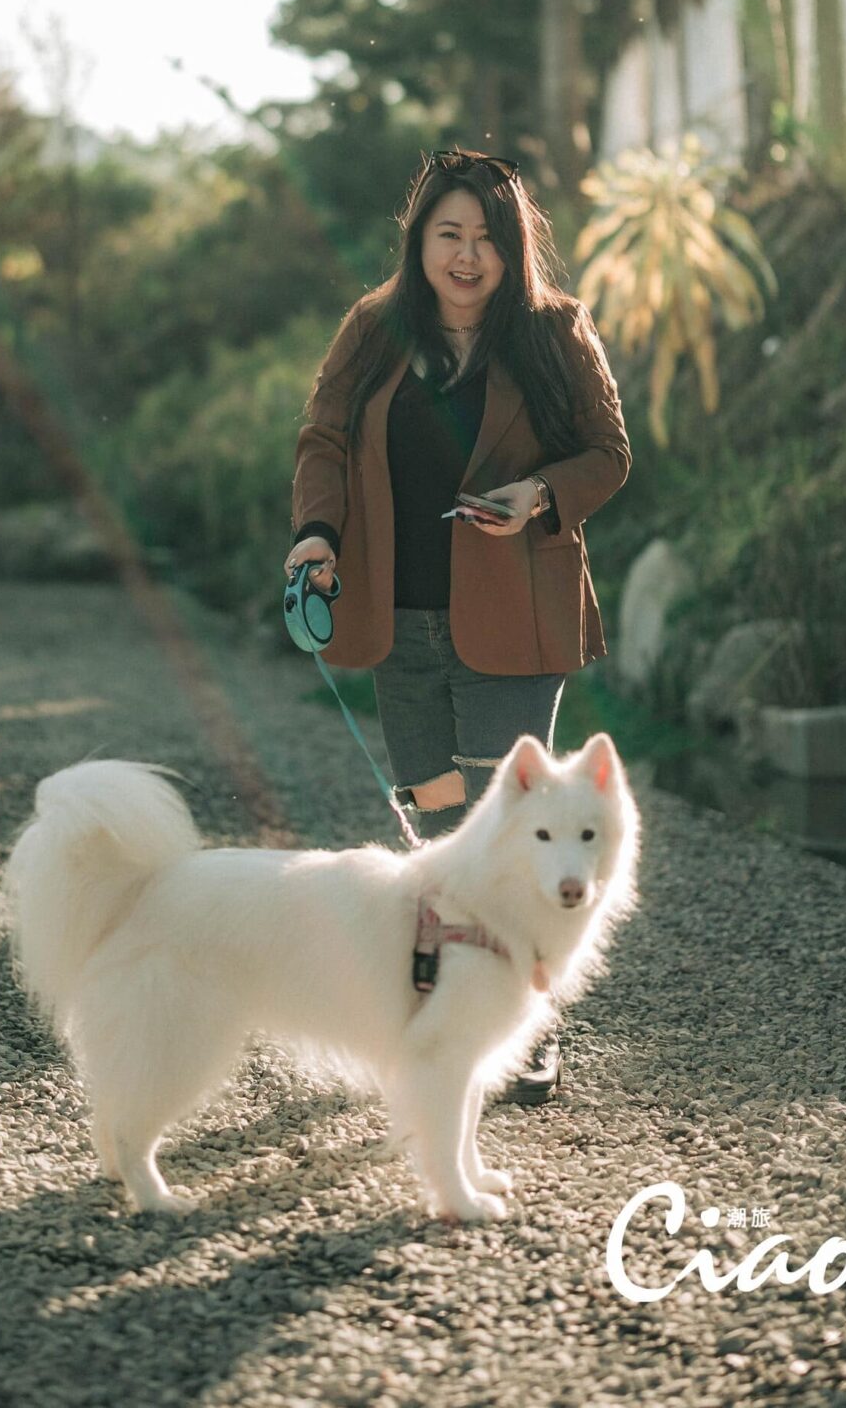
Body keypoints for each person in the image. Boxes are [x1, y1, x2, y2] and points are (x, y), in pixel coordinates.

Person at [285, 147, 631, 1103]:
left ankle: (531, 1026)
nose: (468, 256)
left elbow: (609, 454)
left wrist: (539, 495)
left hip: (517, 619)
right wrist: (317, 534)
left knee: (516, 834)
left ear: (513, 247)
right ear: (421, 241)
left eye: (486, 237)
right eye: (450, 235)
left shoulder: (556, 331)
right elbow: (321, 437)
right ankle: (447, 1009)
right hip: (395, 618)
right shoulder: (374, 326)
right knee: (439, 833)